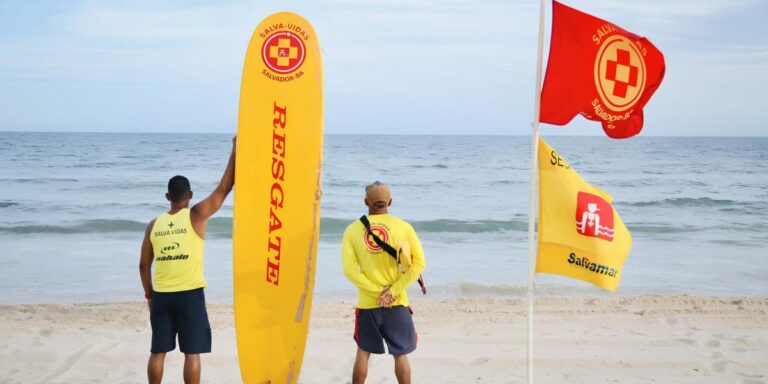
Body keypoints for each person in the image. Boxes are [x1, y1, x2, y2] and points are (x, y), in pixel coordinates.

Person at [139, 137, 236, 384]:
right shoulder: (196, 215)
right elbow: (224, 188)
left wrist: (150, 295)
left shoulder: (154, 225)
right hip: (190, 294)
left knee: (157, 351)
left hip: (161, 295)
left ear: (166, 196)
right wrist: (236, 150)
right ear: (190, 195)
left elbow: (143, 265)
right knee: (192, 353)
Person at [341, 181, 426, 384]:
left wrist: (377, 292)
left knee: (363, 353)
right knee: (401, 355)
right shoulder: (404, 227)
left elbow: (349, 271)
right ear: (390, 202)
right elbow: (418, 264)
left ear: (365, 202)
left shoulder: (352, 230)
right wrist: (391, 291)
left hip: (368, 303)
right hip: (396, 302)